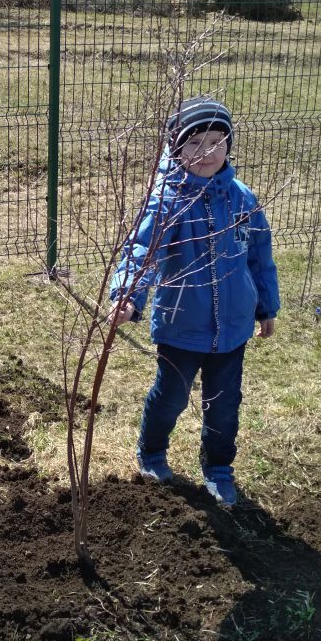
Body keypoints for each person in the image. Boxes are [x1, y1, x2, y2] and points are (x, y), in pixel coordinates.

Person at [109, 97, 280, 507]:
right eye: (195, 143)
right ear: (176, 148)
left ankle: (218, 467)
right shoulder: (167, 201)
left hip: (234, 327)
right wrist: (128, 296)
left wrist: (266, 305)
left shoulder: (242, 199)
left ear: (230, 146)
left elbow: (259, 255)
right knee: (172, 396)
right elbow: (141, 251)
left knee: (224, 407)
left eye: (218, 142)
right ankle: (151, 450)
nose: (208, 153)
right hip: (181, 325)